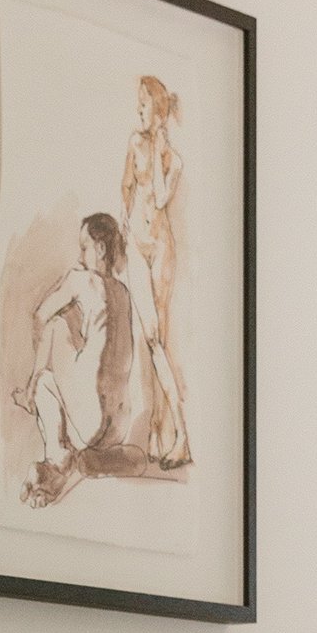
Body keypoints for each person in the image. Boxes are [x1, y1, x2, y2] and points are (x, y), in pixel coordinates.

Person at [13, 211, 142, 508]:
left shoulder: (79, 280)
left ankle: (57, 454)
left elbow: (39, 316)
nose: (80, 254)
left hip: (89, 422)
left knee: (55, 328)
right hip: (117, 426)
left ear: (99, 250)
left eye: (84, 247)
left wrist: (41, 369)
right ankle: (89, 456)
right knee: (71, 325)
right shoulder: (123, 293)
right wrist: (77, 335)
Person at [120, 75, 190, 468]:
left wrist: (162, 150)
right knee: (150, 338)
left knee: (157, 338)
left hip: (162, 248)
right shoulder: (133, 142)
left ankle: (171, 433)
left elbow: (161, 197)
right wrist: (126, 221)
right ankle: (165, 431)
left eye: (145, 105)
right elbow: (126, 184)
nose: (139, 110)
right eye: (139, 104)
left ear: (159, 112)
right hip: (137, 244)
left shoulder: (175, 160)